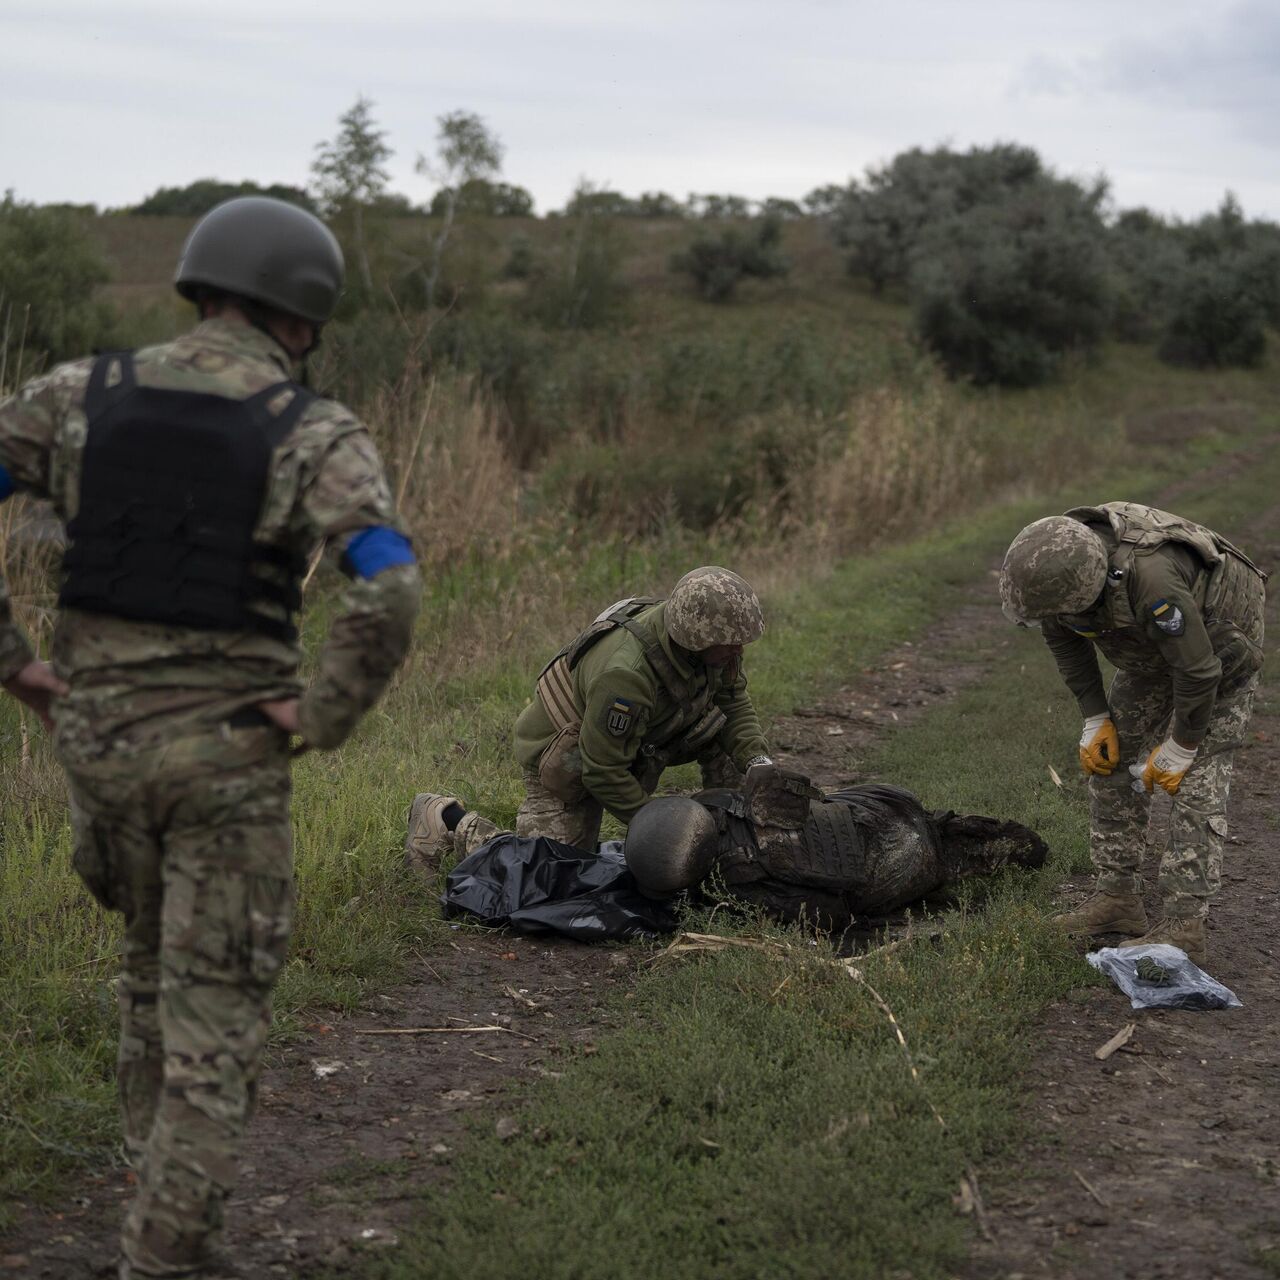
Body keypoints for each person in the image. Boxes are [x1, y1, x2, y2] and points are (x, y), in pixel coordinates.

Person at [0, 196, 420, 1279]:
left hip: (96, 754)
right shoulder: (311, 430)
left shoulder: (74, 396)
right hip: (225, 764)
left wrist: (14, 665)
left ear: (199, 284)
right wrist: (321, 712)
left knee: (148, 974)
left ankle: (157, 1210)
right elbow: (386, 580)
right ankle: (166, 1256)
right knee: (213, 1020)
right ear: (303, 315)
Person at [999, 501, 1266, 964]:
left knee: (1196, 780)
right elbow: (1064, 639)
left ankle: (1185, 926)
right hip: (1151, 650)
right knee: (1110, 759)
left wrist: (1181, 746)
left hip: (1219, 651)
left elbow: (1200, 671)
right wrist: (1094, 718)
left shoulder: (1152, 579)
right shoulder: (1063, 578)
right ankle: (1117, 900)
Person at [406, 567, 773, 863]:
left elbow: (732, 702)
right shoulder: (625, 674)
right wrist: (669, 830)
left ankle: (731, 842)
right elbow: (602, 771)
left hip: (634, 740)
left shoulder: (710, 644)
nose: (738, 649)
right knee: (550, 874)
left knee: (724, 738)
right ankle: (445, 819)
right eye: (729, 644)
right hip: (566, 759)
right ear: (694, 638)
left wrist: (757, 761)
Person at [407, 765, 1047, 932]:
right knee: (563, 869)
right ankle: (450, 818)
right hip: (896, 822)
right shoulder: (733, 836)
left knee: (571, 867)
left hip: (897, 828)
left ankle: (454, 819)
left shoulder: (738, 839)